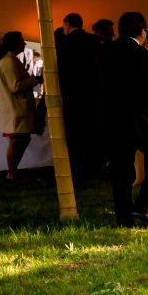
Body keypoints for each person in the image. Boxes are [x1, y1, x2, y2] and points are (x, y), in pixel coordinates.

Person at [100, 12, 148, 227]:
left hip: (115, 117)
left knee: (121, 167)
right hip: (143, 119)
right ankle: (142, 206)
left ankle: (123, 215)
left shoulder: (106, 52)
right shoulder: (142, 54)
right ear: (143, 31)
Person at [54, 13, 102, 178]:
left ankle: (77, 169)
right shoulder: (94, 40)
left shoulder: (64, 42)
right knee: (92, 131)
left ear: (67, 24)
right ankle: (94, 167)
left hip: (71, 93)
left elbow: (60, 69)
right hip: (93, 93)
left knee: (74, 134)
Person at [0, 32, 39, 181]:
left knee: (22, 139)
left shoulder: (10, 59)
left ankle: (13, 171)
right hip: (16, 108)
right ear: (14, 43)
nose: (24, 44)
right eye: (22, 41)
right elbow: (15, 86)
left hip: (17, 106)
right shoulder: (9, 61)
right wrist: (33, 80)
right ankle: (11, 173)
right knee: (16, 141)